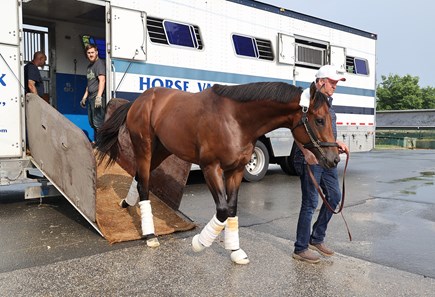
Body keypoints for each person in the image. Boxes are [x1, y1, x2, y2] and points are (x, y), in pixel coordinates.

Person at [292, 64, 349, 264]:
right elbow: (296, 127)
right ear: (320, 82)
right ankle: (300, 248)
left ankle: (316, 237)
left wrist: (336, 143)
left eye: (336, 82)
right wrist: (305, 151)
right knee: (310, 203)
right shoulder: (306, 100)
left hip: (326, 156)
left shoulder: (327, 103)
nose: (335, 86)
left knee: (334, 197)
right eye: (332, 82)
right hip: (311, 158)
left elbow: (325, 132)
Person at [80, 44, 106, 142]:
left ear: (96, 52)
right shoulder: (89, 67)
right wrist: (84, 97)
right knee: (92, 123)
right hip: (91, 98)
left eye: (92, 52)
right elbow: (89, 83)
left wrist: (99, 97)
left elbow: (102, 80)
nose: (90, 54)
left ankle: (102, 146)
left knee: (99, 123)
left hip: (97, 97)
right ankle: (98, 143)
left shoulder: (99, 63)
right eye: (88, 53)